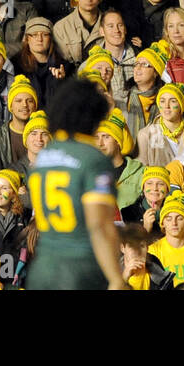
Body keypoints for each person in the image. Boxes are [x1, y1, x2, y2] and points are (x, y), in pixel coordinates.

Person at [25, 80, 124, 290]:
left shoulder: (43, 157)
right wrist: (116, 278)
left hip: (42, 268)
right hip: (81, 269)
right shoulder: (93, 159)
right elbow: (100, 226)